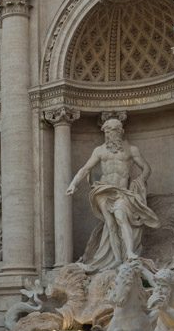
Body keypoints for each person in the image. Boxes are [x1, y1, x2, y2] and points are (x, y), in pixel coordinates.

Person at [66, 117, 160, 272]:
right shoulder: (100, 151)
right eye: (108, 131)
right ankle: (117, 259)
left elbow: (146, 168)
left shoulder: (131, 150)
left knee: (121, 217)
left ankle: (129, 253)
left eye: (114, 130)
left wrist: (139, 181)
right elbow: (85, 169)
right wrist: (73, 184)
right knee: (110, 225)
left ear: (121, 132)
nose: (110, 134)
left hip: (122, 191)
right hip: (103, 190)